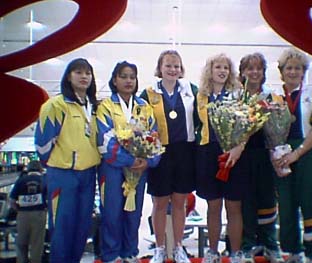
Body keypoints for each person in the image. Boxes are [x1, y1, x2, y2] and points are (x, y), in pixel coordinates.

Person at [35, 58, 101, 263]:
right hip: (63, 174)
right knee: (63, 227)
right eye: (78, 72)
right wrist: (61, 162)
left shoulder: (94, 107)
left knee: (82, 228)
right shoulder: (55, 105)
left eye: (87, 73)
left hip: (89, 174)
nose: (84, 77)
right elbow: (42, 145)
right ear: (68, 76)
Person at [95, 61, 160, 263]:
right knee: (112, 213)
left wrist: (149, 161)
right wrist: (130, 160)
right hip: (112, 169)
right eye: (123, 76)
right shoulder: (106, 106)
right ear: (114, 80)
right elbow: (104, 140)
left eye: (132, 76)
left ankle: (130, 253)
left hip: (139, 170)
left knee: (134, 213)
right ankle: (111, 255)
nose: (128, 80)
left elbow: (155, 137)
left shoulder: (144, 107)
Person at [274, 48, 312, 263]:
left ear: (303, 71)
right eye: (288, 68)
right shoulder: (275, 98)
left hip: (307, 155)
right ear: (281, 71)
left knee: (311, 204)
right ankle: (291, 252)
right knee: (286, 206)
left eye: (297, 68)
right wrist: (276, 154)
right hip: (282, 157)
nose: (292, 72)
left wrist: (297, 153)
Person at [140, 50, 197, 263]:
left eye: (177, 66)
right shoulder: (148, 93)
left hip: (184, 151)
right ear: (160, 68)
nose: (173, 69)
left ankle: (179, 247)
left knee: (180, 202)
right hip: (160, 153)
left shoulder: (191, 90)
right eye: (168, 65)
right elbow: (140, 124)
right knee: (160, 203)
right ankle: (160, 248)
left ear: (181, 69)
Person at [195, 53, 247, 263]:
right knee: (213, 205)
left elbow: (247, 125)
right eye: (218, 67)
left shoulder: (238, 94)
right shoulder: (200, 95)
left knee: (233, 206)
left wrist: (239, 148)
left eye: (226, 67)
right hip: (208, 154)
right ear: (210, 70)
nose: (222, 71)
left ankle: (235, 253)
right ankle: (213, 252)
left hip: (233, 154)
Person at [236, 52, 283, 263]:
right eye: (249, 68)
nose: (254, 72)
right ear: (242, 72)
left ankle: (270, 244)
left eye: (258, 68)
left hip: (266, 156)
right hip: (242, 157)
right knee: (246, 202)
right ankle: (248, 245)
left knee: (267, 201)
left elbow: (281, 127)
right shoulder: (236, 98)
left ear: (263, 73)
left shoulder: (272, 97)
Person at [9, 160, 47, 263]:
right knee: (37, 243)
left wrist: (18, 209)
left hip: (23, 214)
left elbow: (12, 200)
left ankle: (22, 261)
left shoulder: (21, 180)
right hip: (39, 214)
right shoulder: (44, 180)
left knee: (21, 242)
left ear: (28, 169)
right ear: (40, 169)